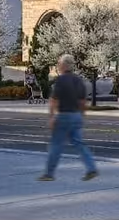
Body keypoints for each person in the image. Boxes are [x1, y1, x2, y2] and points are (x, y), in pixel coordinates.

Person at [39, 54, 98, 182]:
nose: (58, 65)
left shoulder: (60, 81)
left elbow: (53, 100)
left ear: (64, 65)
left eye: (59, 63)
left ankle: (49, 174)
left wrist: (52, 117)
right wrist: (81, 116)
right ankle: (91, 168)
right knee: (79, 143)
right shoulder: (79, 81)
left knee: (56, 145)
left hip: (64, 115)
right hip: (76, 115)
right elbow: (83, 102)